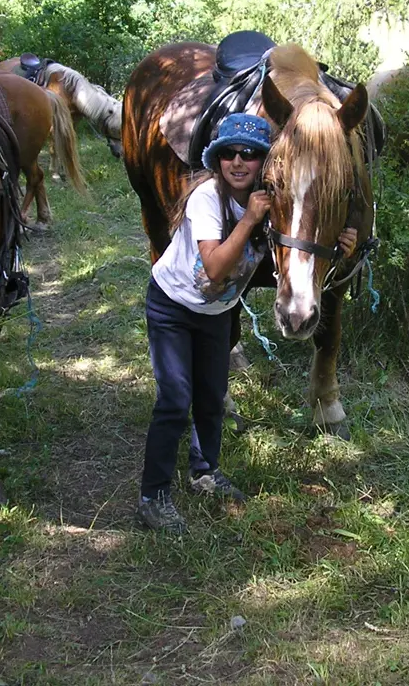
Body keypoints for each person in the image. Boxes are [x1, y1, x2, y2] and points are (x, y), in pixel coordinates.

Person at [136, 112, 358, 533]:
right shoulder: (207, 198)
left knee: (213, 392)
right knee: (174, 399)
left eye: (250, 155)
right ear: (216, 159)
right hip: (174, 307)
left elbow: (301, 238)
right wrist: (251, 219)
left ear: (265, 163)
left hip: (215, 314)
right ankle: (153, 494)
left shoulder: (272, 200)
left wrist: (340, 243)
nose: (238, 163)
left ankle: (205, 471)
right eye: (228, 154)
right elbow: (217, 269)